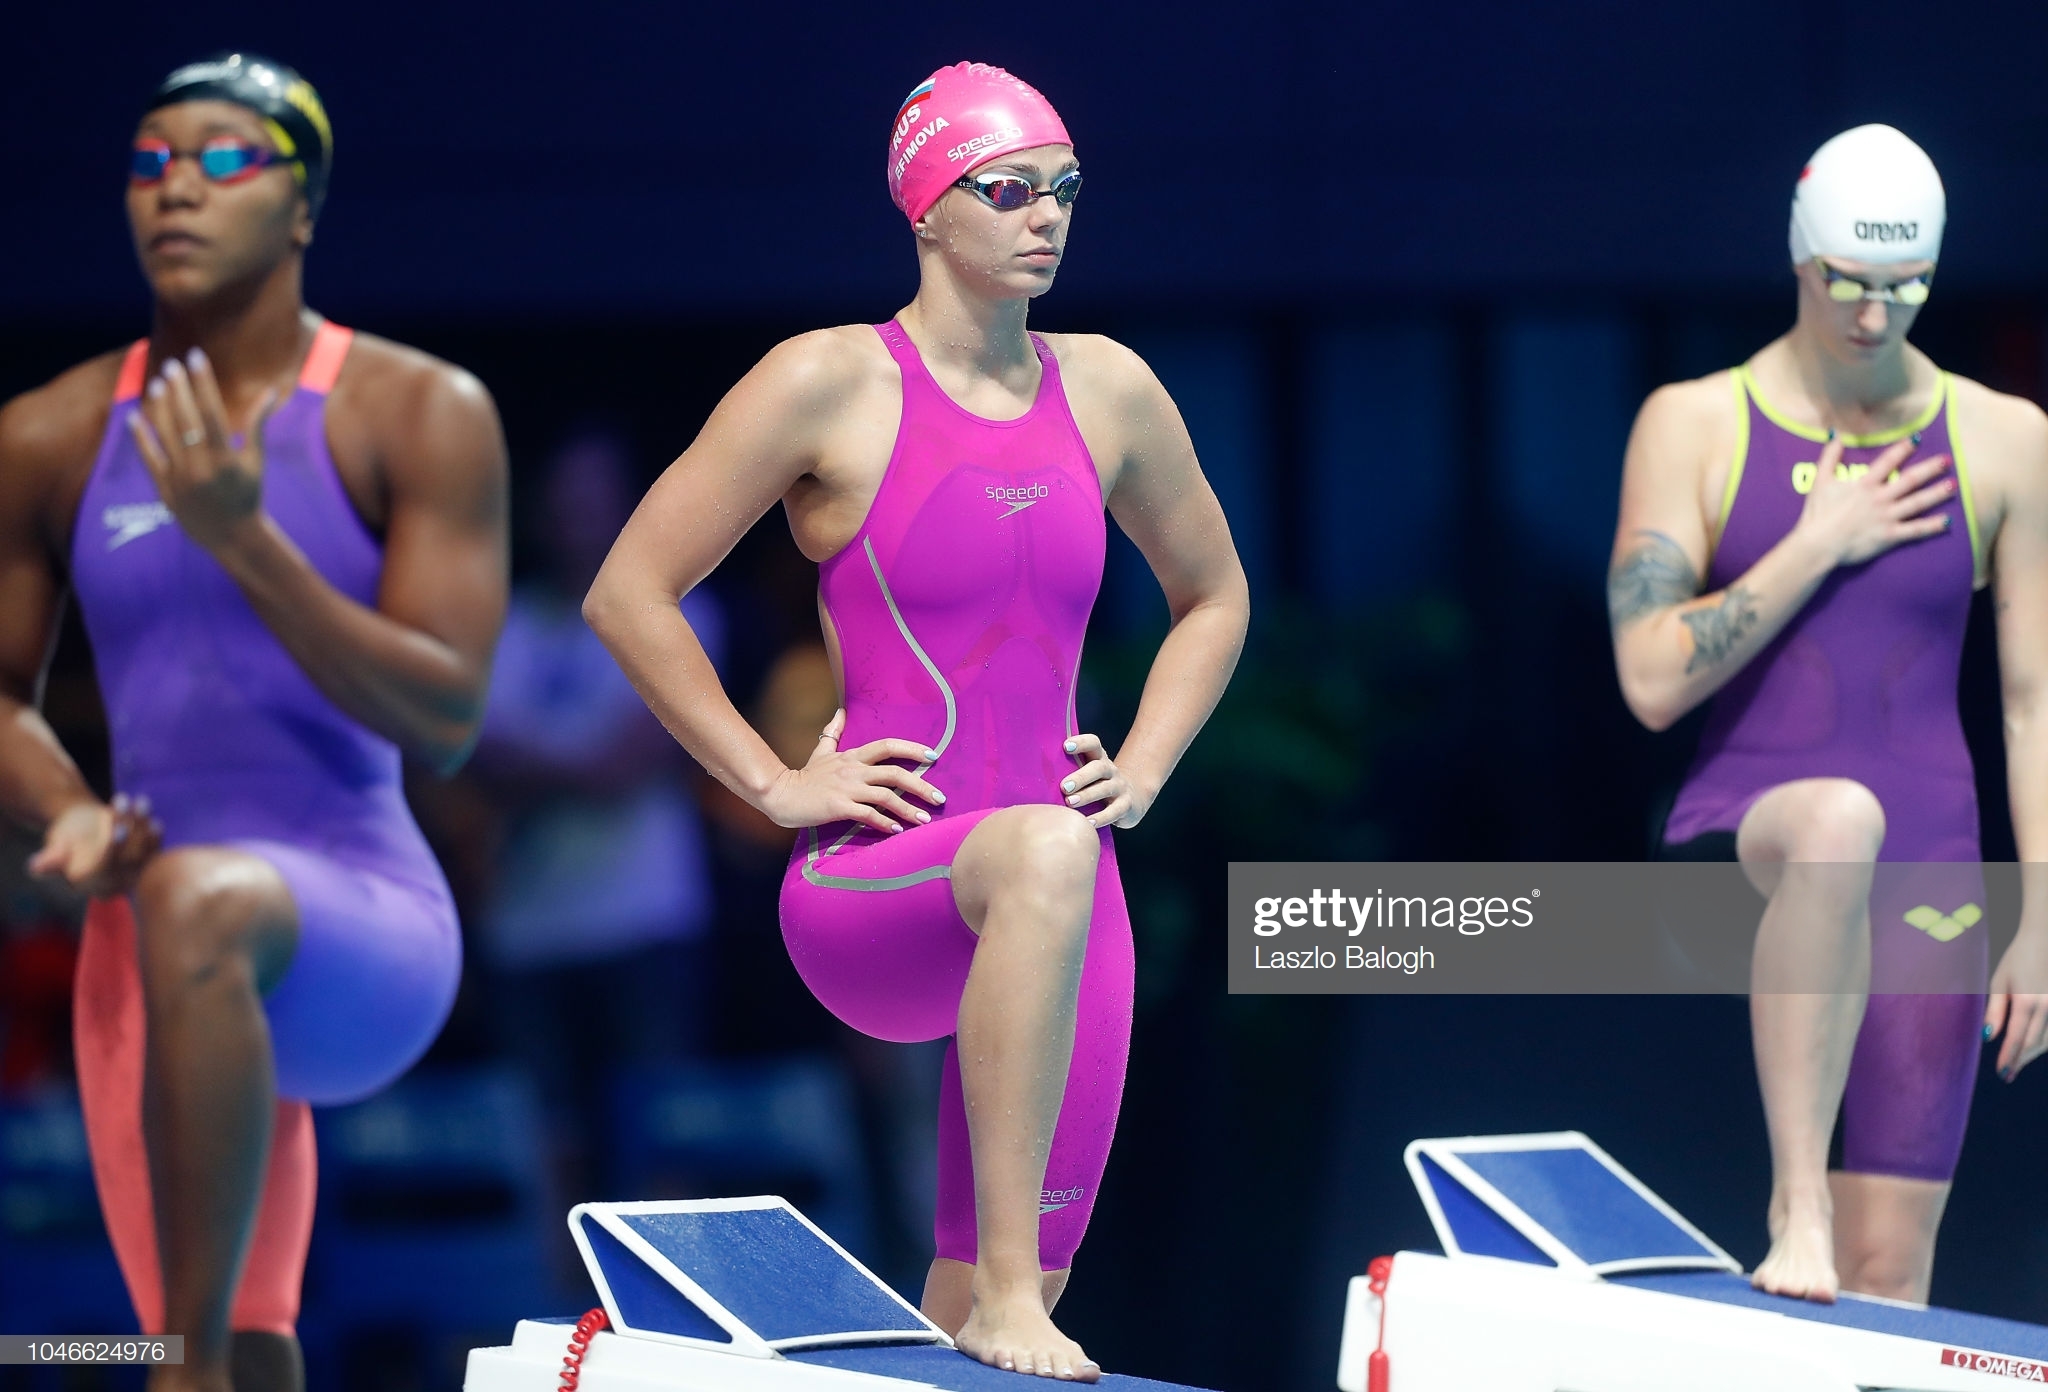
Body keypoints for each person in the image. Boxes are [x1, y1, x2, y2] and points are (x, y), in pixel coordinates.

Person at [585, 61, 1248, 1381]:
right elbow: (628, 593)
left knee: (999, 1309)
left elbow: (1215, 596)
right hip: (878, 884)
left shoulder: (1108, 389)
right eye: (1007, 190)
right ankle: (1004, 1296)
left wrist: (1145, 766)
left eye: (1064, 188)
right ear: (925, 206)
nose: (1046, 215)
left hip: (1061, 896)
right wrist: (770, 784)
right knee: (1045, 855)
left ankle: (991, 1300)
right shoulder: (826, 382)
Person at [0, 53, 508, 1391]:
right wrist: (67, 810)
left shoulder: (417, 411)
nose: (177, 187)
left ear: (303, 206)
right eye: (151, 161)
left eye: (224, 159)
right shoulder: (49, 434)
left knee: (201, 902)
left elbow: (447, 720)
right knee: (236, 1329)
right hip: (153, 937)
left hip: (361, 929)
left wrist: (246, 541)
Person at [1610, 124, 2048, 1305]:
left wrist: (2041, 909)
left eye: (1903, 286)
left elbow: (2030, 700)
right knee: (1837, 819)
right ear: (1799, 258)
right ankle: (1793, 1201)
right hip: (1740, 834)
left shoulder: (2003, 439)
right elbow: (1648, 681)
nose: (1870, 313)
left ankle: (1835, 1245)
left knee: (1888, 1273)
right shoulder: (1695, 421)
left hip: (1929, 865)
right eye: (1846, 281)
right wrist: (1818, 542)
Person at [469, 428, 719, 1206]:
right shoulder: (501, 624)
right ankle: (562, 1282)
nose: (576, 516)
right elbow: (471, 757)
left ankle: (666, 1282)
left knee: (663, 1132)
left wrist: (531, 767)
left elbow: (628, 764)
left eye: (593, 499)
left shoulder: (682, 608)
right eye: (562, 500)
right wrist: (583, 764)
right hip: (527, 927)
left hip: (645, 918)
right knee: (545, 1140)